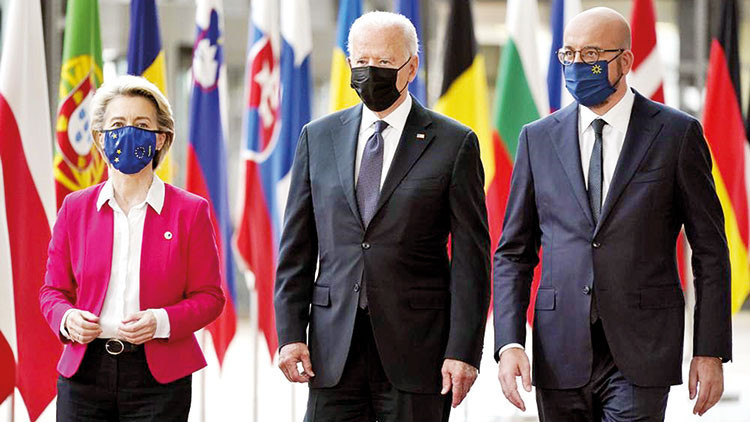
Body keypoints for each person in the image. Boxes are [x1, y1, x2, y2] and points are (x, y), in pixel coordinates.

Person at [494, 7, 732, 421]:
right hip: (560, 349)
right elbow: (513, 253)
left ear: (625, 61)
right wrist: (509, 343)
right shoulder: (537, 138)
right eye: (568, 54)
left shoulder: (676, 135)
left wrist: (709, 349)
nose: (576, 65)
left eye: (591, 55)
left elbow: (710, 251)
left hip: (643, 349)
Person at [274, 11, 490, 422]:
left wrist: (463, 350)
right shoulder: (317, 137)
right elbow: (296, 248)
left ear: (411, 67)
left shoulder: (454, 143)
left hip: (418, 349)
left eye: (385, 62)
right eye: (361, 61)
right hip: (332, 350)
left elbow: (471, 259)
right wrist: (289, 335)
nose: (370, 71)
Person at [39, 75, 226, 421]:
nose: (128, 133)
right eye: (117, 125)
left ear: (160, 138)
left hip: (158, 380)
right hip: (84, 374)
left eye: (141, 125)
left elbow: (210, 297)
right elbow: (52, 291)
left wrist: (161, 321)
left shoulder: (190, 211)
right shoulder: (75, 208)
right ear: (100, 137)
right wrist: (67, 318)